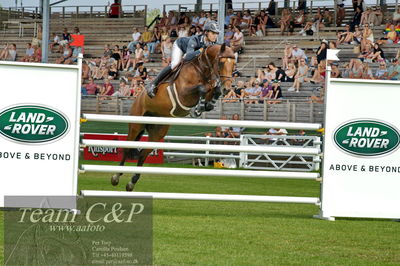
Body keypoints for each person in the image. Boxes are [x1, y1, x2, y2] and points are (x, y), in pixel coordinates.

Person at [146, 21, 220, 98]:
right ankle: (153, 84)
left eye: (217, 34)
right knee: (175, 64)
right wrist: (201, 50)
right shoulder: (195, 39)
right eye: (213, 33)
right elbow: (188, 56)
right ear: (206, 32)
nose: (215, 36)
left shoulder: (213, 44)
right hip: (180, 46)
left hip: (193, 53)